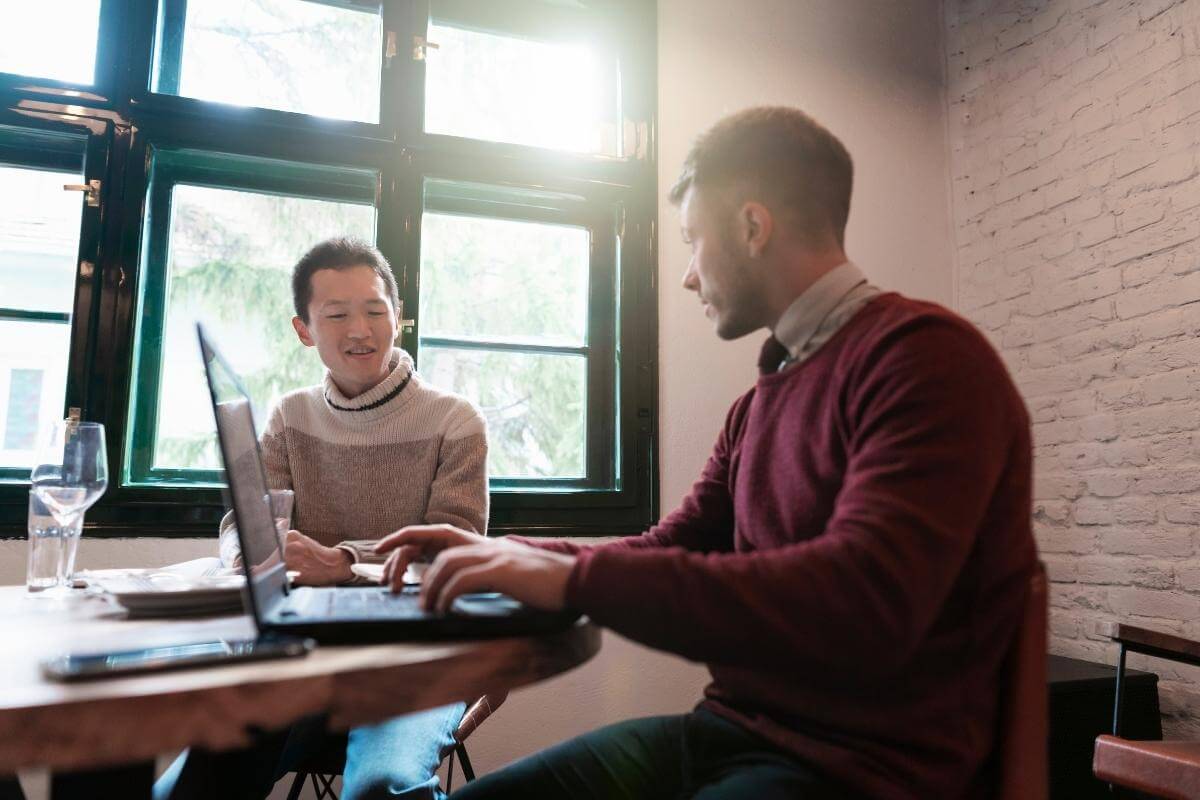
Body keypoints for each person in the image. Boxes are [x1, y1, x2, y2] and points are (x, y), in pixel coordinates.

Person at [375, 106, 1037, 800]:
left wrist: (569, 582)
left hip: (862, 774)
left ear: (753, 227)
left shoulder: (926, 361)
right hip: (728, 735)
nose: (689, 276)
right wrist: (514, 557)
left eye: (693, 241)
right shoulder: (762, 399)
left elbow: (862, 601)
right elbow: (674, 545)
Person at [157, 237, 488, 800]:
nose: (359, 329)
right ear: (304, 329)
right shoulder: (290, 416)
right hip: (302, 654)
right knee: (192, 784)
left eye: (375, 311)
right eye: (336, 315)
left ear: (399, 317)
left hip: (415, 657)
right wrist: (250, 554)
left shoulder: (455, 421)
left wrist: (342, 562)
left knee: (383, 787)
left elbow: (450, 552)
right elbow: (244, 519)